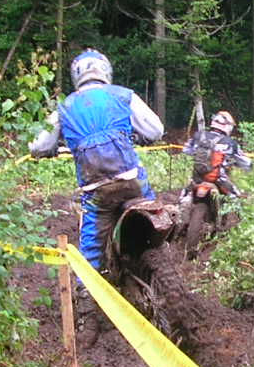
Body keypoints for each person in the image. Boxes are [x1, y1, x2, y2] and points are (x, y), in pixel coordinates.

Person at [29, 49, 164, 271]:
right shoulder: (123, 94)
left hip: (97, 189)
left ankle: (87, 296)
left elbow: (37, 146)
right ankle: (163, 250)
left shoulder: (64, 106)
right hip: (132, 180)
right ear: (106, 70)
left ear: (76, 75)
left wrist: (50, 149)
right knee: (154, 209)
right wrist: (140, 137)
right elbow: (156, 130)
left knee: (91, 247)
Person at [183, 109, 253, 201]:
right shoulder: (230, 143)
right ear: (227, 126)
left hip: (197, 179)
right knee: (236, 199)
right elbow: (245, 163)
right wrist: (249, 166)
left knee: (183, 197)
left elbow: (186, 150)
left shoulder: (198, 136)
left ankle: (180, 209)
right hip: (219, 180)